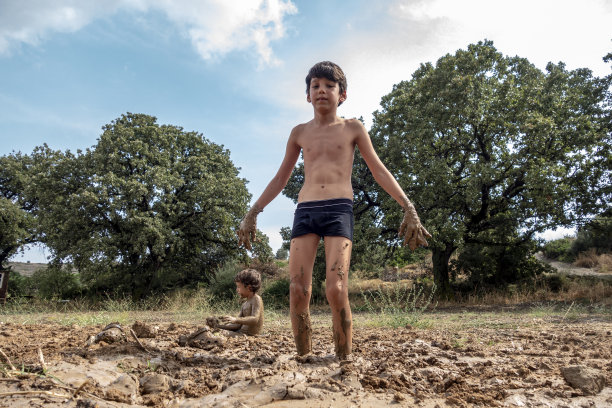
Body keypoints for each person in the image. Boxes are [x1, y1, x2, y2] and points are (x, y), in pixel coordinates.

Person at [237, 61, 430, 359]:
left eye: (329, 85)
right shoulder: (299, 133)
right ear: (307, 95)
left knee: (336, 288)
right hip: (306, 211)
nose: (321, 91)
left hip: (339, 210)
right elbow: (280, 178)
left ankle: (344, 358)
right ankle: (304, 356)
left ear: (342, 94)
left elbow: (379, 171)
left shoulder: (353, 128)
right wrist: (254, 211)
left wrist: (409, 207)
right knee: (298, 289)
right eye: (315, 86)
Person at [210, 268, 264, 336]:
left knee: (221, 333)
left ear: (248, 287)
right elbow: (237, 325)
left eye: (238, 287)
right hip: (241, 333)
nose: (237, 290)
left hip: (250, 335)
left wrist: (235, 319)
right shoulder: (244, 304)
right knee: (218, 331)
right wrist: (218, 326)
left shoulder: (256, 299)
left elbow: (255, 319)